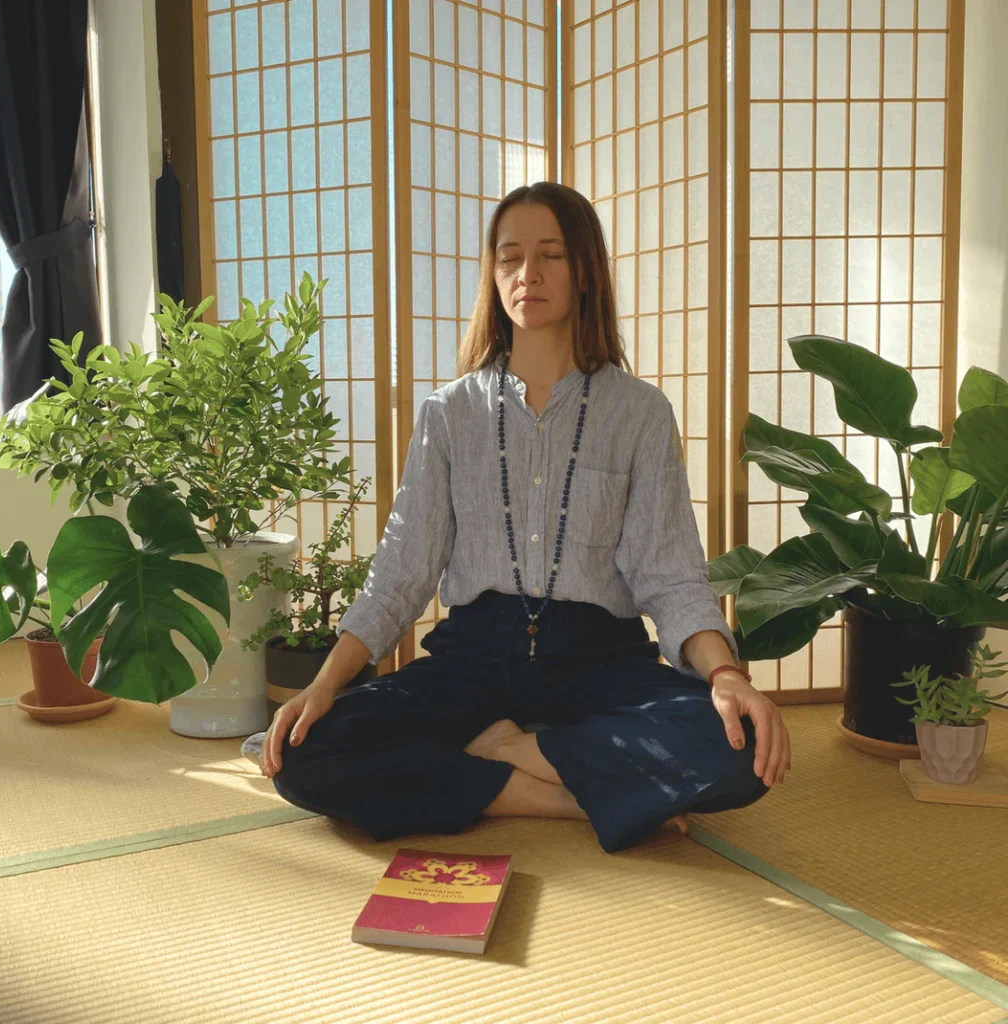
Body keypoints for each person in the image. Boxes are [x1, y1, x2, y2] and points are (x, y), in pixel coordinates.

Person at [252, 182, 791, 854]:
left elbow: (670, 576)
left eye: (550, 256)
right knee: (307, 750)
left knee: (736, 749)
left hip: (601, 660)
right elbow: (402, 569)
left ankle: (507, 752)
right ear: (492, 273)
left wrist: (728, 679)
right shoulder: (449, 414)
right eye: (509, 258)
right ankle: (550, 794)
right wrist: (325, 684)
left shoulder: (641, 413)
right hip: (475, 657)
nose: (527, 274)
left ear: (585, 270)